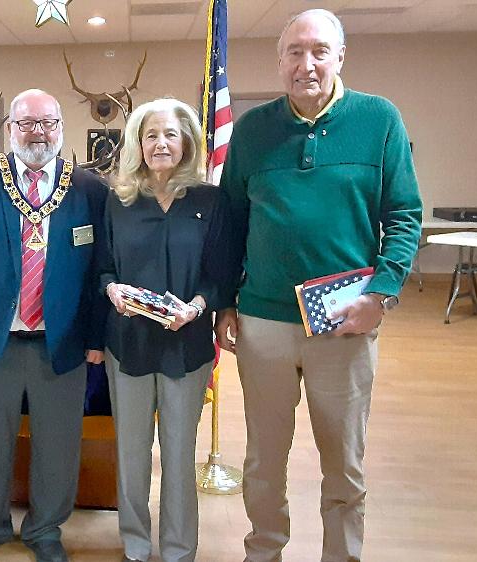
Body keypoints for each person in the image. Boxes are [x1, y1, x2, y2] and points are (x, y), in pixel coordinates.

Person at [216, 9, 422, 561]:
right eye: (295, 52)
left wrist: (381, 294)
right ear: (280, 60)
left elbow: (404, 216)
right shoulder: (254, 130)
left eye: (319, 51)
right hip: (263, 324)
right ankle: (263, 551)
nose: (306, 64)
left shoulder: (379, 120)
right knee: (263, 460)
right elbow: (231, 219)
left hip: (345, 322)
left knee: (343, 463)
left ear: (340, 57)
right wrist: (223, 302)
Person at [0, 89, 108, 562]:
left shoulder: (89, 188)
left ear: (61, 128)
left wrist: (96, 337)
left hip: (63, 341)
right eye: (27, 123)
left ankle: (45, 530)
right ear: (10, 128)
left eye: (48, 123)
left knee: (58, 444)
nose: (38, 132)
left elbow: (102, 266)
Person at [99, 98, 231, 562]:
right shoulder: (117, 200)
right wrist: (112, 289)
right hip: (128, 347)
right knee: (132, 457)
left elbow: (220, 274)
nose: (161, 143)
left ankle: (178, 549)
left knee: (178, 457)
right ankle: (135, 544)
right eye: (151, 134)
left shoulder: (210, 201)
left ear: (188, 142)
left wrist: (197, 307)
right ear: (138, 142)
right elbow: (103, 267)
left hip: (187, 347)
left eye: (171, 134)